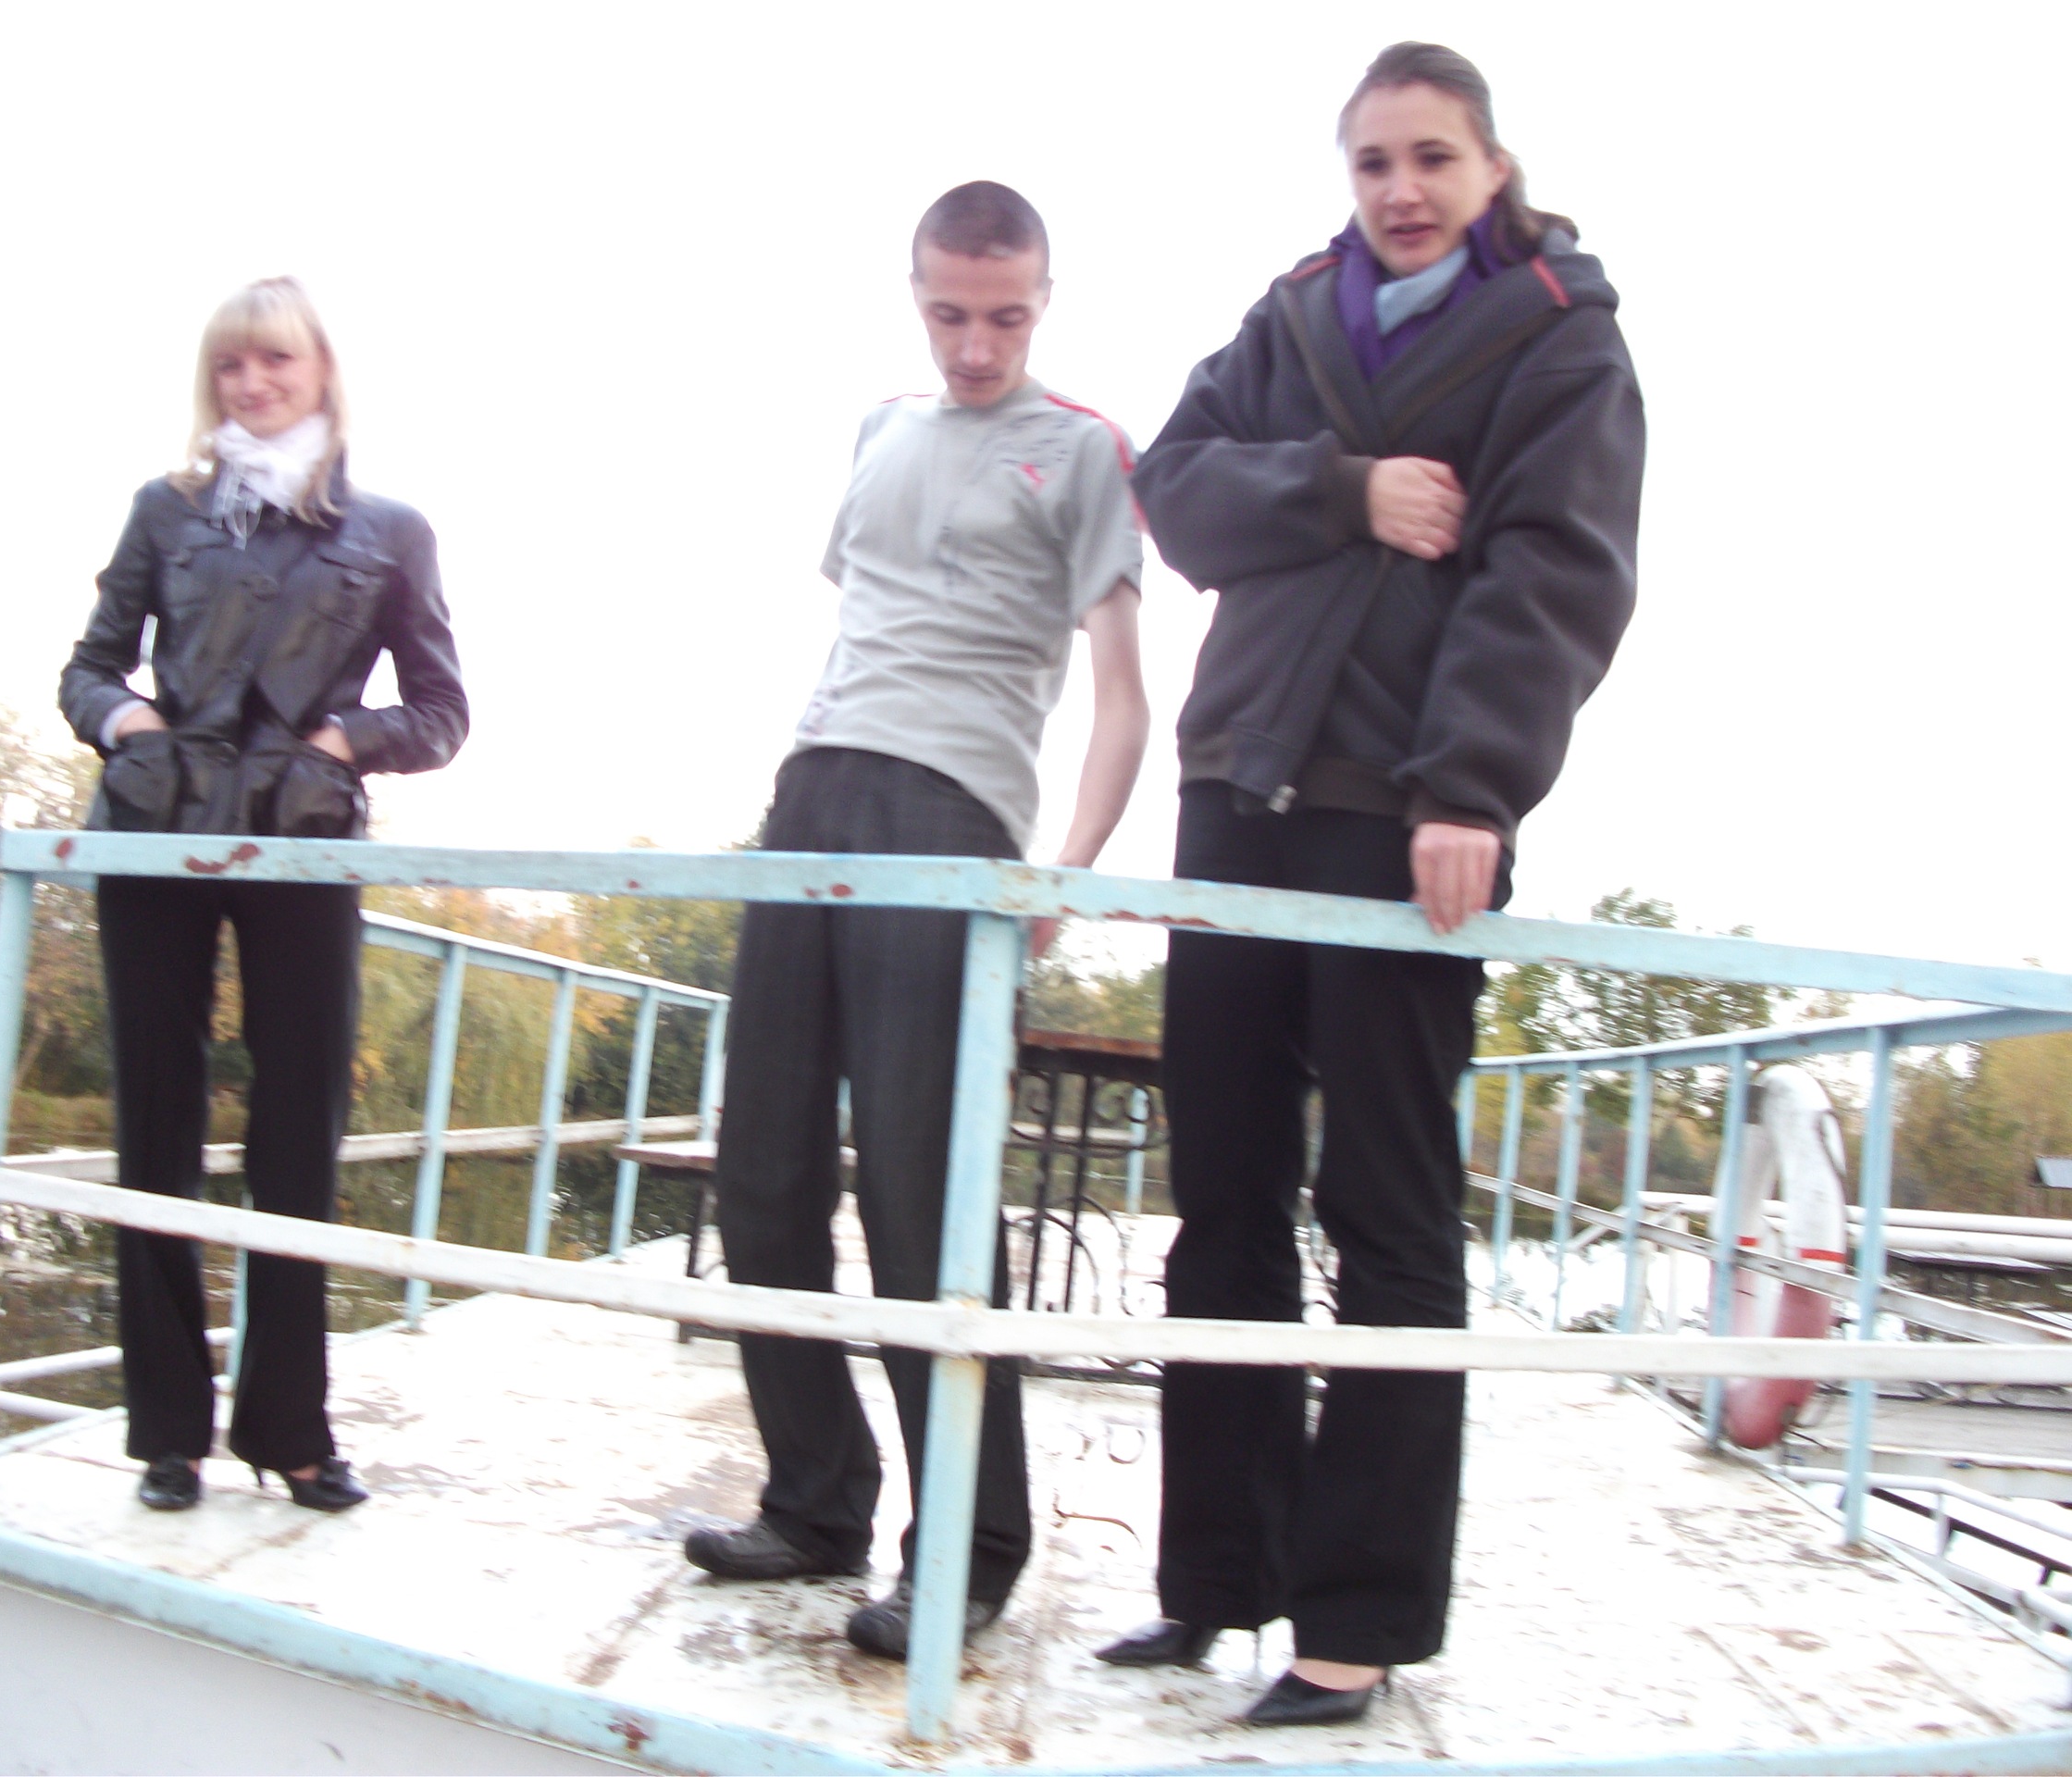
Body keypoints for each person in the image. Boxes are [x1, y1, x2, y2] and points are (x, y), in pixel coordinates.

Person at [1099, 43, 1644, 1724]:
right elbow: (1178, 491)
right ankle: (1217, 1580)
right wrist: (1346, 492)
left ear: (1493, 169)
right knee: (1224, 1196)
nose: (1402, 190)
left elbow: (1557, 572)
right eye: (1373, 163)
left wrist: (1470, 784)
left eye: (1432, 158)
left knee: (1389, 1210)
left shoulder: (1561, 338)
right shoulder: (1291, 317)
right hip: (1234, 787)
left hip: (1405, 809)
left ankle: (1356, 1622)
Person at [681, 181, 1150, 1659]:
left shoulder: (1085, 451)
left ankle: (968, 1546)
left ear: (1044, 302)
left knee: (917, 1194)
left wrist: (1064, 871)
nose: (976, 346)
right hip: (812, 789)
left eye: (1006, 316)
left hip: (953, 817)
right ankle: (815, 1500)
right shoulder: (880, 429)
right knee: (759, 1170)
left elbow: (1126, 699)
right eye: (949, 313)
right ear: (916, 295)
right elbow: (869, 621)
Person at [58, 277, 468, 1516]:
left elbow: (442, 712)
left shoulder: (389, 530)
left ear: (321, 370)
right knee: (155, 1124)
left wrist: (345, 742)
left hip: (302, 842)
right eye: (231, 366)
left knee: (299, 1128)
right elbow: (88, 668)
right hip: (156, 832)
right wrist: (128, 723)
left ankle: (290, 1431)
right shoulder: (167, 510)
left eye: (275, 361)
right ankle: (167, 1434)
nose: (253, 384)